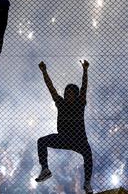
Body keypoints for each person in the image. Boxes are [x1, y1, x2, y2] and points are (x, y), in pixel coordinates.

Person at [35, 60, 94, 194]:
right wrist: (44, 72)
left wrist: (85, 70)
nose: (67, 95)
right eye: (66, 92)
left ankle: (87, 183)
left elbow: (84, 87)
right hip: (63, 138)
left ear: (76, 95)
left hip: (79, 140)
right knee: (41, 141)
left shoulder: (80, 103)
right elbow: (51, 88)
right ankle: (45, 169)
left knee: (88, 156)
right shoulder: (60, 103)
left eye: (71, 93)